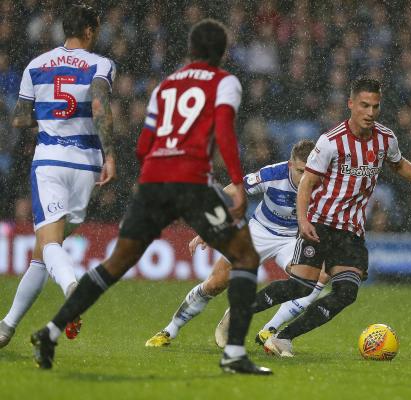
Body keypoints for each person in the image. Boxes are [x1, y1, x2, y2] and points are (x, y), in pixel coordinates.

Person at [31, 19, 271, 375]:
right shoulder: (226, 82)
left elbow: (144, 145)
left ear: (190, 50)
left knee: (115, 265)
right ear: (221, 53)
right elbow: (223, 131)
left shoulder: (165, 87)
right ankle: (234, 353)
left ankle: (51, 330)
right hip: (192, 181)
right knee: (246, 256)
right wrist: (235, 183)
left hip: (153, 180)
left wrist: (158, 186)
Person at [241, 78, 411, 357]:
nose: (370, 112)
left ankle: (283, 338)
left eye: (375, 106)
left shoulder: (385, 139)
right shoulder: (330, 141)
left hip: (350, 231)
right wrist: (303, 221)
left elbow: (400, 165)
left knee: (346, 293)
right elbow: (306, 184)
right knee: (299, 287)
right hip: (319, 224)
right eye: (364, 105)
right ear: (351, 104)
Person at [1, 4, 116, 348]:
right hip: (87, 166)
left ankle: (72, 291)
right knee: (43, 251)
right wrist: (109, 154)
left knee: (49, 244)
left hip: (50, 160)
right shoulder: (101, 64)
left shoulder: (36, 66)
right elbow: (98, 105)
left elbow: (20, 119)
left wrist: (50, 118)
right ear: (91, 31)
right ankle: (6, 326)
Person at [145, 140, 329, 348]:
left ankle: (270, 329)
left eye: (310, 171)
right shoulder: (272, 174)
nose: (305, 177)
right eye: (299, 171)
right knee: (215, 284)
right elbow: (232, 191)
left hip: (295, 238)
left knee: (313, 278)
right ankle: (170, 330)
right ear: (289, 165)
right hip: (259, 232)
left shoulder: (325, 182)